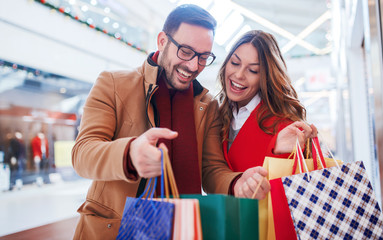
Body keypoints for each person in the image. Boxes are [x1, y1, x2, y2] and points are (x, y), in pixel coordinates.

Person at [72, 5, 268, 239]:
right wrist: (130, 153)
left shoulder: (207, 105)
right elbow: (82, 153)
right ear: (162, 41)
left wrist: (237, 183)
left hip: (183, 228)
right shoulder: (113, 85)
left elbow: (211, 169)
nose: (194, 66)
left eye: (204, 57)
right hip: (115, 228)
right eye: (186, 51)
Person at [217, 30, 317, 177]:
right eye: (235, 63)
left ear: (266, 77)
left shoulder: (284, 126)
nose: (239, 75)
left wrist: (276, 151)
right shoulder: (218, 115)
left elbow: (284, 189)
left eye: (253, 70)